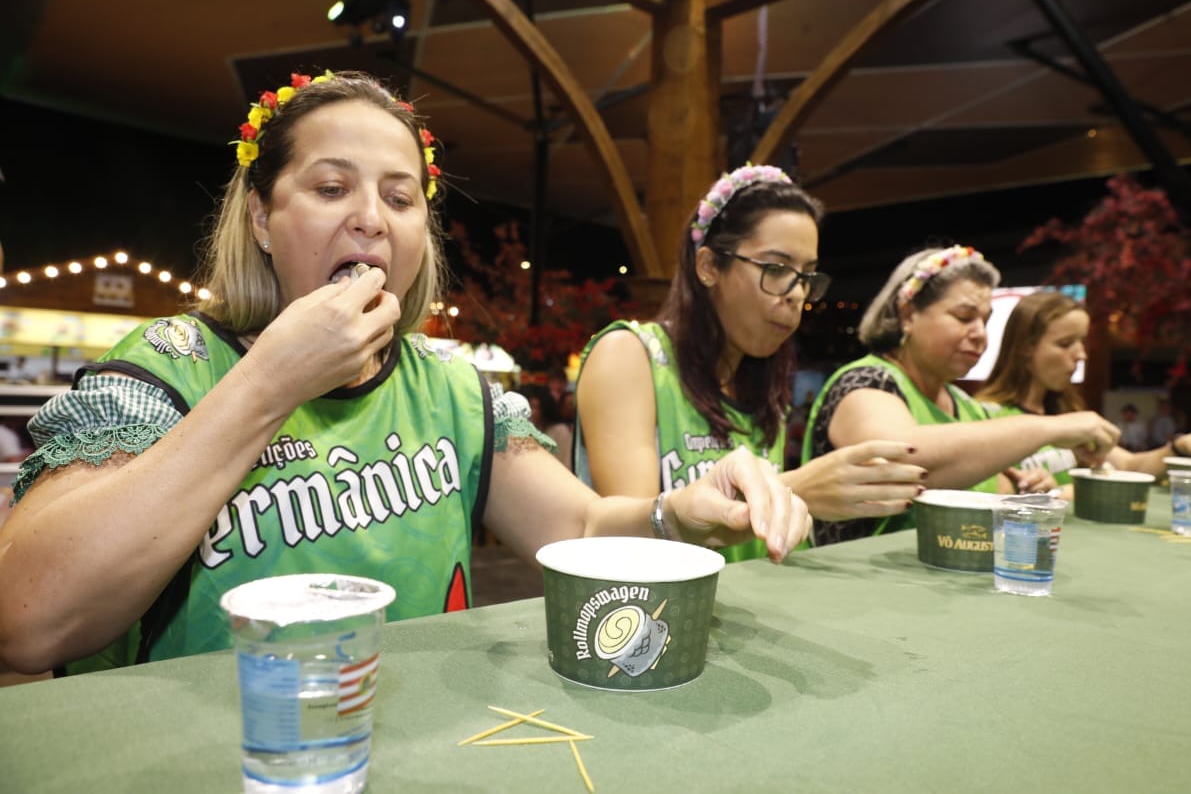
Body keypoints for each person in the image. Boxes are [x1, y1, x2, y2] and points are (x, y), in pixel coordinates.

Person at [0, 71, 809, 677]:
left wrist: (680, 512)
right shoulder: (164, 368)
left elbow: (585, 530)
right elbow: (29, 619)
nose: (371, 218)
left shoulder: (454, 388)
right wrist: (271, 380)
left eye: (401, 196)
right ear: (260, 217)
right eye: (329, 187)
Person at [575, 164, 927, 563]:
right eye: (776, 270)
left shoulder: (763, 381)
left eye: (807, 276)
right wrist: (795, 490)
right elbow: (631, 544)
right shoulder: (630, 353)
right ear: (709, 267)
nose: (796, 294)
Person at [802, 246, 1123, 545]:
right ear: (908, 315)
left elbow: (986, 491)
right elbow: (904, 460)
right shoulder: (865, 381)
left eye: (985, 321)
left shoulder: (966, 405)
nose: (981, 334)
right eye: (964, 317)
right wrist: (1052, 428)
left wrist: (1026, 487)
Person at [976, 291, 1191, 494]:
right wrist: (1062, 493)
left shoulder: (1065, 415)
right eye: (1065, 343)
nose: (1081, 354)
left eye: (1082, 342)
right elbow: (994, 495)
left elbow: (1128, 466)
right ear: (1025, 348)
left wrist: (1181, 447)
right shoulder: (983, 414)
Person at [517, 383, 573, 469]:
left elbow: (566, 462)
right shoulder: (534, 430)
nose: (532, 412)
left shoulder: (560, 431)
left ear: (545, 409)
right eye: (530, 407)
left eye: (536, 408)